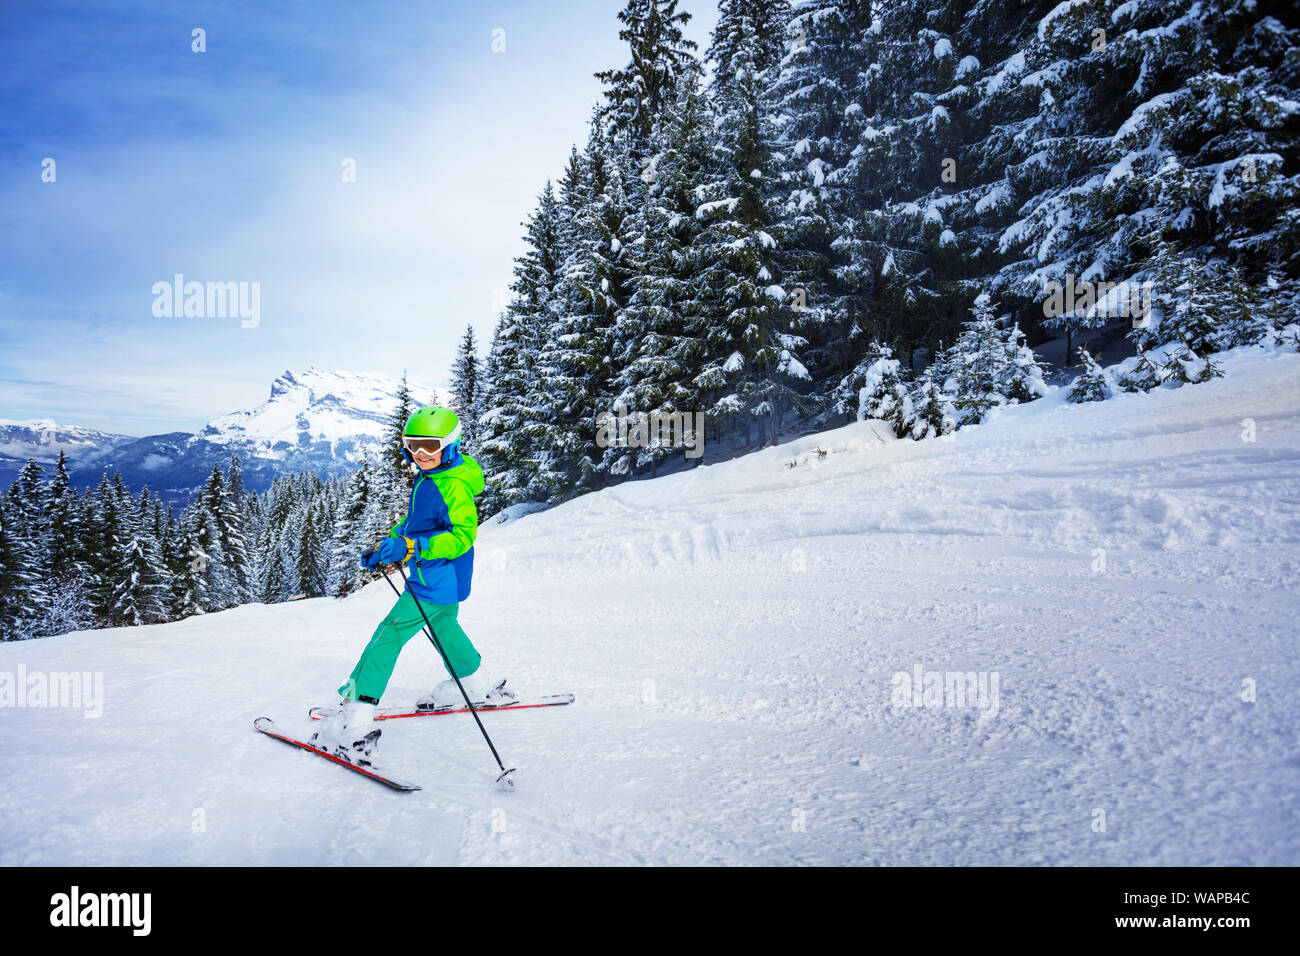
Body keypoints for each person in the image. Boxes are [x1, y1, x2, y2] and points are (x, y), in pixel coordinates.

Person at [310, 405, 512, 765]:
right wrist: (391, 543)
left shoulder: (452, 485)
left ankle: (355, 725)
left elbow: (462, 536)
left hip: (435, 578)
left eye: (430, 446)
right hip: (443, 578)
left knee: (387, 637)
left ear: (450, 445)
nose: (420, 454)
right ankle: (475, 684)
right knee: (446, 629)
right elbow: (417, 523)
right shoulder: (433, 476)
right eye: (413, 445)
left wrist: (411, 547)